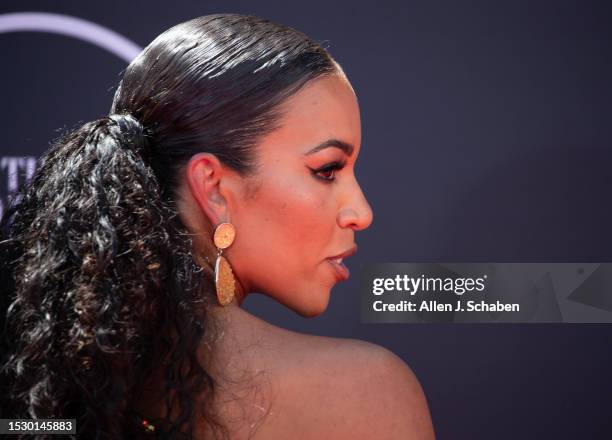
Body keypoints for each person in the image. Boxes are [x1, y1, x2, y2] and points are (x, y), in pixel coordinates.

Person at [0, 13, 434, 439]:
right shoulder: (363, 394)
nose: (361, 212)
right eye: (327, 169)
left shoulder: (42, 381)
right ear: (214, 189)